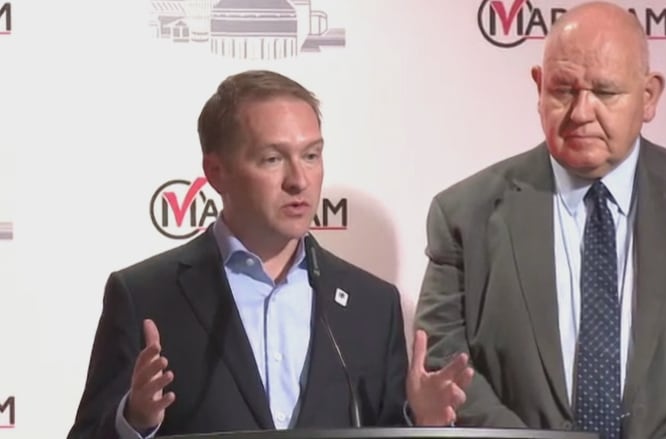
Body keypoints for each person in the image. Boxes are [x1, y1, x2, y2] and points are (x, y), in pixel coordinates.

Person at [413, 1, 666, 438]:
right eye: (563, 90)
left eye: (605, 93)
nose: (582, 112)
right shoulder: (463, 214)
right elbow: (445, 363)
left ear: (648, 97)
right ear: (538, 86)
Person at [67, 70, 472, 439]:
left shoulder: (372, 304)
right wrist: (134, 419)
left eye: (311, 155)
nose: (299, 181)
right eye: (273, 159)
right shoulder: (146, 296)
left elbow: (384, 429)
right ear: (215, 171)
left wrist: (422, 424)